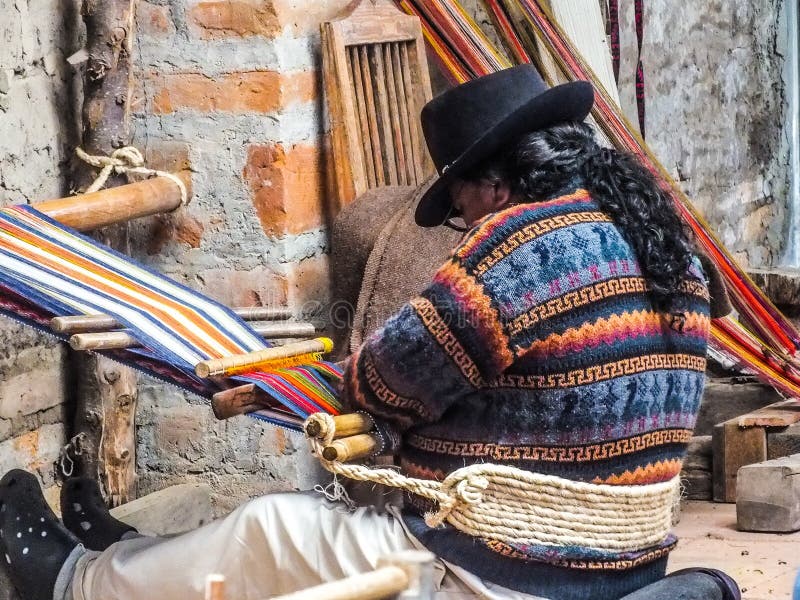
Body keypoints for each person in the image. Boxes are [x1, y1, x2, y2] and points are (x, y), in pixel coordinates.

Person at [0, 65, 739, 600]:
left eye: (458, 207)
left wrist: (368, 389)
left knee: (267, 528)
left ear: (492, 184)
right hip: (631, 566)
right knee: (291, 530)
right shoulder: (663, 235)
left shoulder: (521, 246)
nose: (464, 224)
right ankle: (128, 554)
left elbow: (382, 380)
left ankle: (75, 581)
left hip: (506, 576)